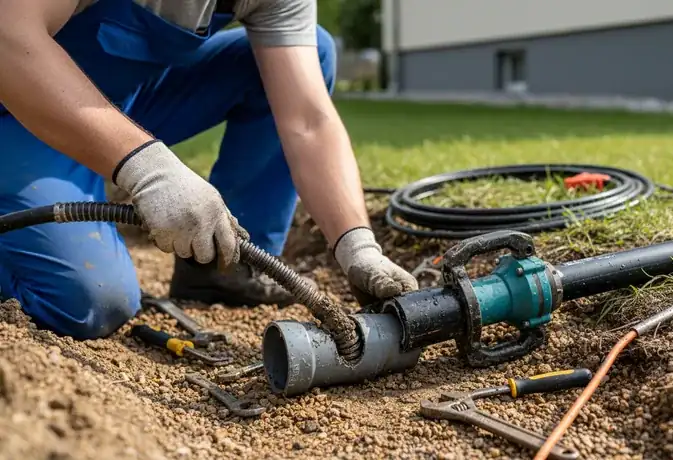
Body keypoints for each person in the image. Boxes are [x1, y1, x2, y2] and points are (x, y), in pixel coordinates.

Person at [0, 0, 418, 340]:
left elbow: (307, 120)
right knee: (90, 302)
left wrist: (358, 247)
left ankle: (222, 271)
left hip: (126, 95)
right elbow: (9, 35)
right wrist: (147, 167)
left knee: (313, 48)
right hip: (18, 103)